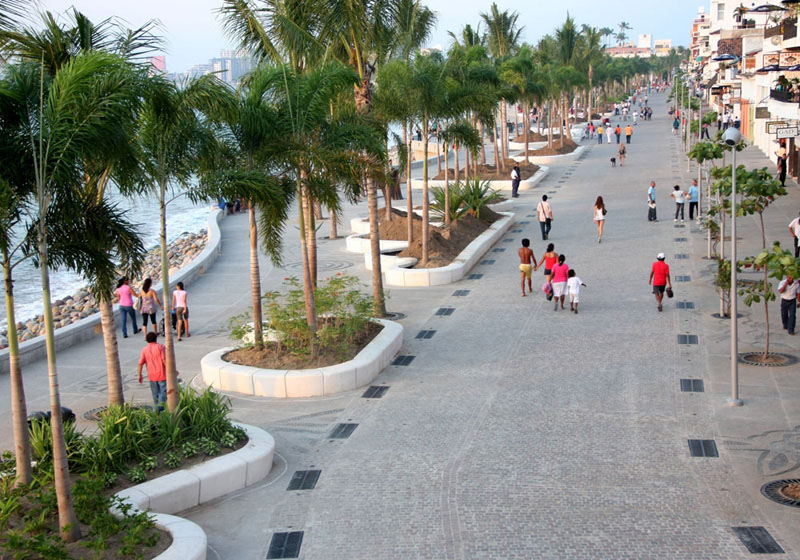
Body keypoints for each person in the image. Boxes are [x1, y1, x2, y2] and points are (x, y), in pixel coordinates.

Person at [138, 332, 167, 411]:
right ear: (156, 338)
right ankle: (157, 411)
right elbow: (164, 360)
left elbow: (140, 363)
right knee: (163, 394)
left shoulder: (145, 349)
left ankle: (158, 412)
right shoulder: (161, 347)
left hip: (151, 376)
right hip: (162, 375)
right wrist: (172, 371)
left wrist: (139, 375)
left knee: (155, 395)